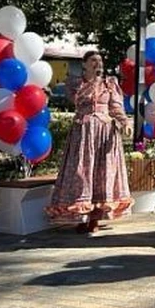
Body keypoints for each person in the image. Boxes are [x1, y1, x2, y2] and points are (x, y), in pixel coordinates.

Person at [46, 51, 133, 235]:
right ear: (84, 64)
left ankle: (95, 217)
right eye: (93, 60)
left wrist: (124, 122)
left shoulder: (110, 83)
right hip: (83, 132)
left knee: (102, 173)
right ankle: (81, 216)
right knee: (82, 172)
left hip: (104, 131)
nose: (98, 63)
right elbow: (76, 99)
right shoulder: (75, 83)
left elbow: (116, 107)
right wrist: (93, 80)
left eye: (100, 60)